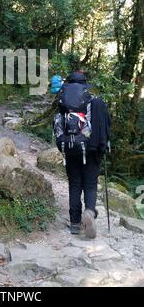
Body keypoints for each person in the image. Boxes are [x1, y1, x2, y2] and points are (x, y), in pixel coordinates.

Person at [53, 71, 111, 238]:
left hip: (70, 148)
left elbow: (58, 124)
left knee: (74, 185)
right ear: (85, 83)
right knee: (90, 185)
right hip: (91, 149)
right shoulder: (93, 99)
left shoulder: (63, 100)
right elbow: (105, 125)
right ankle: (90, 212)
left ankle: (74, 224)